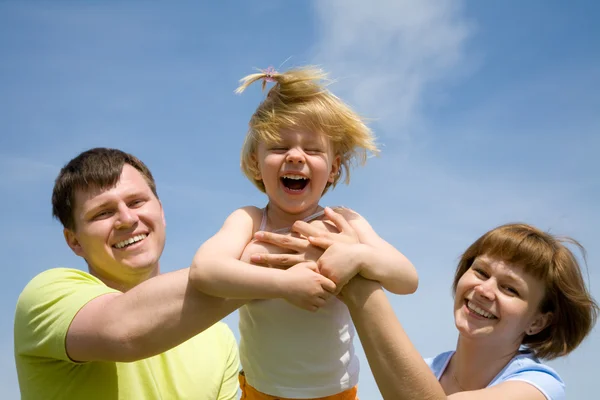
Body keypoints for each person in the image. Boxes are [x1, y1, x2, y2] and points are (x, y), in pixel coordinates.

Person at [189, 66, 419, 400]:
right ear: (256, 161)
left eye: (312, 150)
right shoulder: (249, 221)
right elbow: (204, 271)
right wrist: (284, 285)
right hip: (261, 392)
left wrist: (358, 255)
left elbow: (407, 279)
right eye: (279, 147)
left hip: (336, 394)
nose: (296, 156)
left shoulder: (345, 222)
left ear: (334, 167)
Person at [14, 148, 243, 400]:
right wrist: (264, 270)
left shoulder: (218, 338)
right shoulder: (45, 294)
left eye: (136, 202)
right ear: (74, 241)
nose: (127, 218)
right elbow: (123, 332)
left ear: (161, 211)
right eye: (103, 212)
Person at [334, 223, 598, 399]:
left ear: (538, 322)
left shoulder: (538, 388)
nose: (484, 290)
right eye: (481, 272)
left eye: (510, 289)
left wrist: (360, 288)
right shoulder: (426, 370)